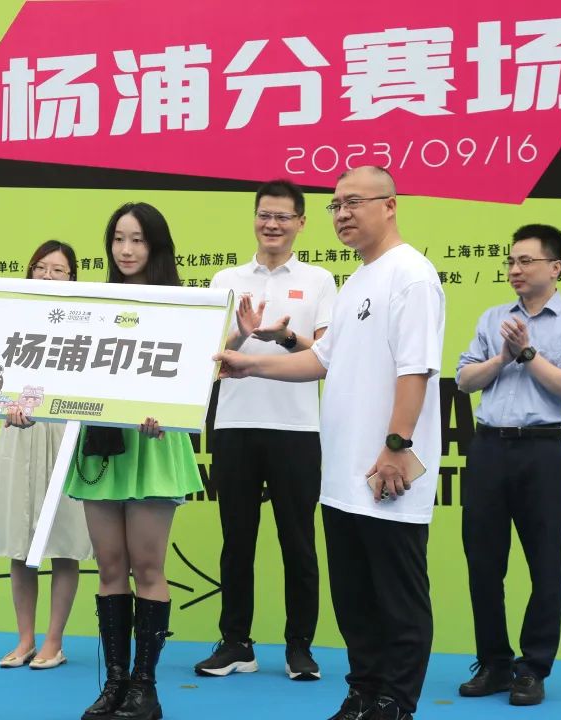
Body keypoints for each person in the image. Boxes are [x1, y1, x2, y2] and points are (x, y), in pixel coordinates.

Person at [215, 166, 445, 720]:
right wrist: (249, 365)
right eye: (336, 205)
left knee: (397, 595)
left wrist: (396, 446)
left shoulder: (412, 276)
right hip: (343, 475)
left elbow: (415, 370)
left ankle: (395, 701)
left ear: (390, 205)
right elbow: (322, 358)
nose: (342, 214)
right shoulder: (357, 280)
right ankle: (363, 692)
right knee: (354, 597)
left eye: (354, 202)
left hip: (386, 471)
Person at [7, 202, 203, 720]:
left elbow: (193, 376)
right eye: (118, 238)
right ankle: (115, 682)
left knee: (147, 567)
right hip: (100, 447)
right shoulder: (91, 303)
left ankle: (145, 687)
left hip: (153, 447)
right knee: (110, 566)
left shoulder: (182, 306)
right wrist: (14, 395)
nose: (126, 249)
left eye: (137, 239)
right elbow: (58, 366)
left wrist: (168, 412)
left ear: (156, 245)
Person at [195, 180, 336, 681]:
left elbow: (327, 355)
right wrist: (243, 332)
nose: (271, 224)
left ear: (301, 222)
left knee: (298, 541)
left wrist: (286, 336)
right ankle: (236, 642)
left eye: (282, 216)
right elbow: (208, 355)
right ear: (254, 218)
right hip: (235, 424)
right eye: (264, 215)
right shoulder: (225, 279)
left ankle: (300, 647)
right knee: (237, 540)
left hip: (296, 427)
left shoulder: (320, 280)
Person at [455, 224, 561, 707]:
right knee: (483, 562)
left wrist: (529, 353)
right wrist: (502, 357)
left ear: (555, 267)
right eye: (511, 261)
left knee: (545, 564)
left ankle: (533, 668)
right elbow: (464, 379)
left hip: (542, 453)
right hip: (489, 449)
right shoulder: (493, 318)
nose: (514, 269)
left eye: (526, 261)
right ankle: (493, 663)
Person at [0, 241, 93, 671]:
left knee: (64, 541)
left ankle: (54, 640)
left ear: (73, 278)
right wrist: (3, 403)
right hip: (18, 434)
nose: (48, 275)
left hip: (65, 435)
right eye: (41, 267)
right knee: (20, 542)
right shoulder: (7, 318)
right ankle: (24, 639)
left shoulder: (88, 321)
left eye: (58, 269)